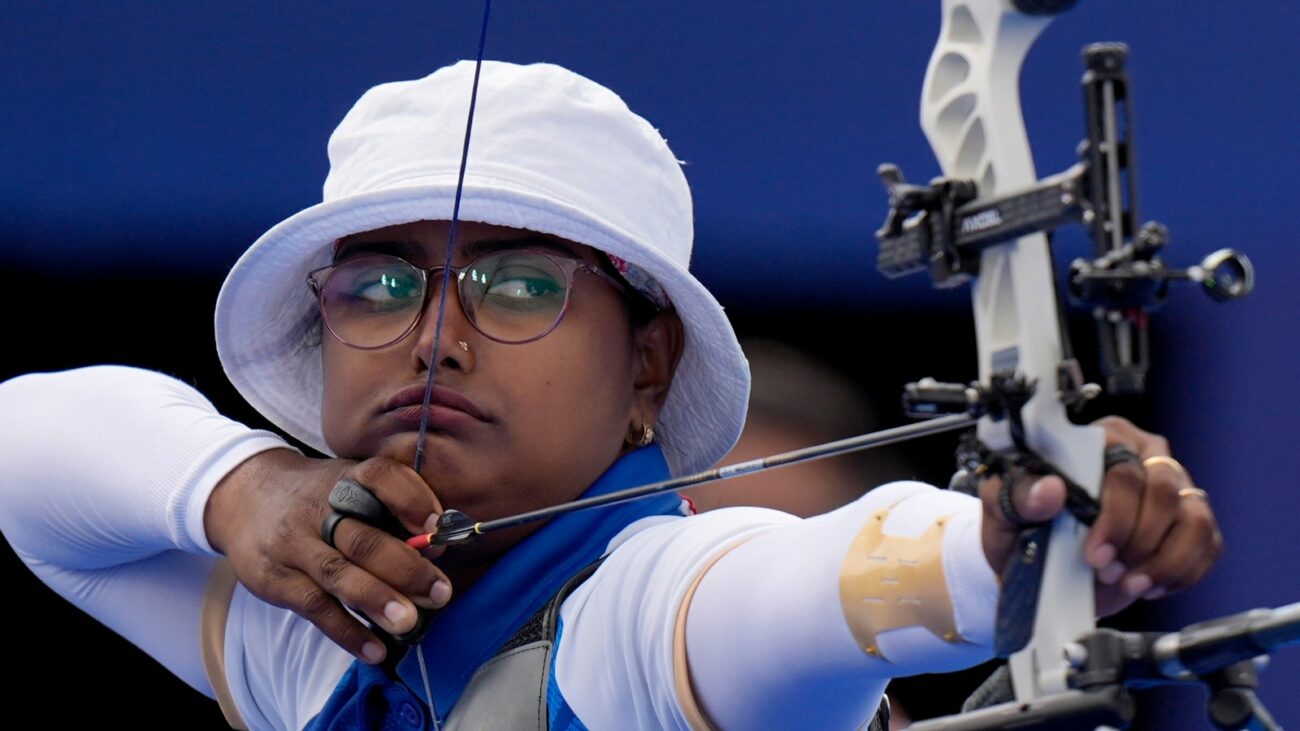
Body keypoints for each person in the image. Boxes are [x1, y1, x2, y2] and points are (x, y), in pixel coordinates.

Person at [0, 60, 1220, 730]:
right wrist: (239, 486)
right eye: (377, 284)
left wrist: (1010, 536)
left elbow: (806, 586)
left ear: (645, 366)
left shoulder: (651, 613)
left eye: (518, 283)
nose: (434, 340)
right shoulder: (309, 638)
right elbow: (25, 442)